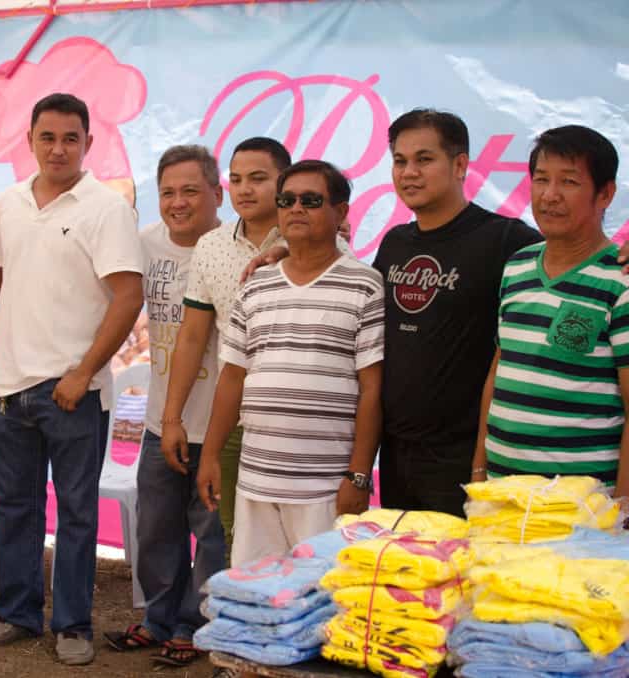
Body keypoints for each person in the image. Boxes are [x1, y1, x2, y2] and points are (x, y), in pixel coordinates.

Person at [243, 110, 544, 517]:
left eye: (424, 159)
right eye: (400, 161)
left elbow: (569, 260)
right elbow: (344, 277)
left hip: (466, 457)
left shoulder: (506, 239)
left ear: (459, 165)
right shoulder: (395, 243)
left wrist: (621, 256)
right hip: (397, 453)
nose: (409, 172)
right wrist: (288, 250)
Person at [0, 93, 143, 666]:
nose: (59, 148)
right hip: (8, 389)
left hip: (73, 392)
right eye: (48, 137)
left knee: (76, 515)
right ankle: (17, 613)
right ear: (30, 141)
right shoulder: (10, 202)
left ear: (88, 143)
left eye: (71, 138)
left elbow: (128, 297)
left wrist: (83, 372)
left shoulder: (106, 208)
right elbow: (7, 279)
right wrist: (4, 356)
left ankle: (72, 625)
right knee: (15, 509)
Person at [197, 159, 384, 566]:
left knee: (322, 595)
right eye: (287, 200)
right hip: (255, 481)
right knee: (256, 592)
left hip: (325, 487)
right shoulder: (256, 285)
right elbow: (232, 377)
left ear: (340, 211)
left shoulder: (365, 284)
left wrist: (358, 476)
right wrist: (210, 454)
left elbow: (372, 388)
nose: (296, 208)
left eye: (311, 200)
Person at [103, 145, 226, 668]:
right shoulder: (144, 244)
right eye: (168, 192)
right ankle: (159, 620)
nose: (178, 203)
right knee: (156, 529)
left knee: (212, 534)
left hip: (218, 425)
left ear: (217, 194)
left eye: (190, 191)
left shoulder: (234, 248)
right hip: (161, 421)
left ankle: (196, 625)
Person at [473, 125, 628, 500]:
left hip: (582, 509)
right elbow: (499, 370)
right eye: (541, 179)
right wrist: (478, 472)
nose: (550, 195)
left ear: (605, 193)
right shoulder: (517, 266)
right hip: (501, 496)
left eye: (569, 182)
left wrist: (623, 510)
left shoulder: (620, 280)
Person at [160, 137, 292, 561]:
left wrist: (291, 248)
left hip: (302, 419)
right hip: (237, 417)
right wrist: (171, 417)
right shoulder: (212, 246)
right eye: (236, 180)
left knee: (304, 543)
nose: (245, 189)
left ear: (285, 181)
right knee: (238, 538)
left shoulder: (316, 239)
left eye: (258, 178)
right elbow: (192, 336)